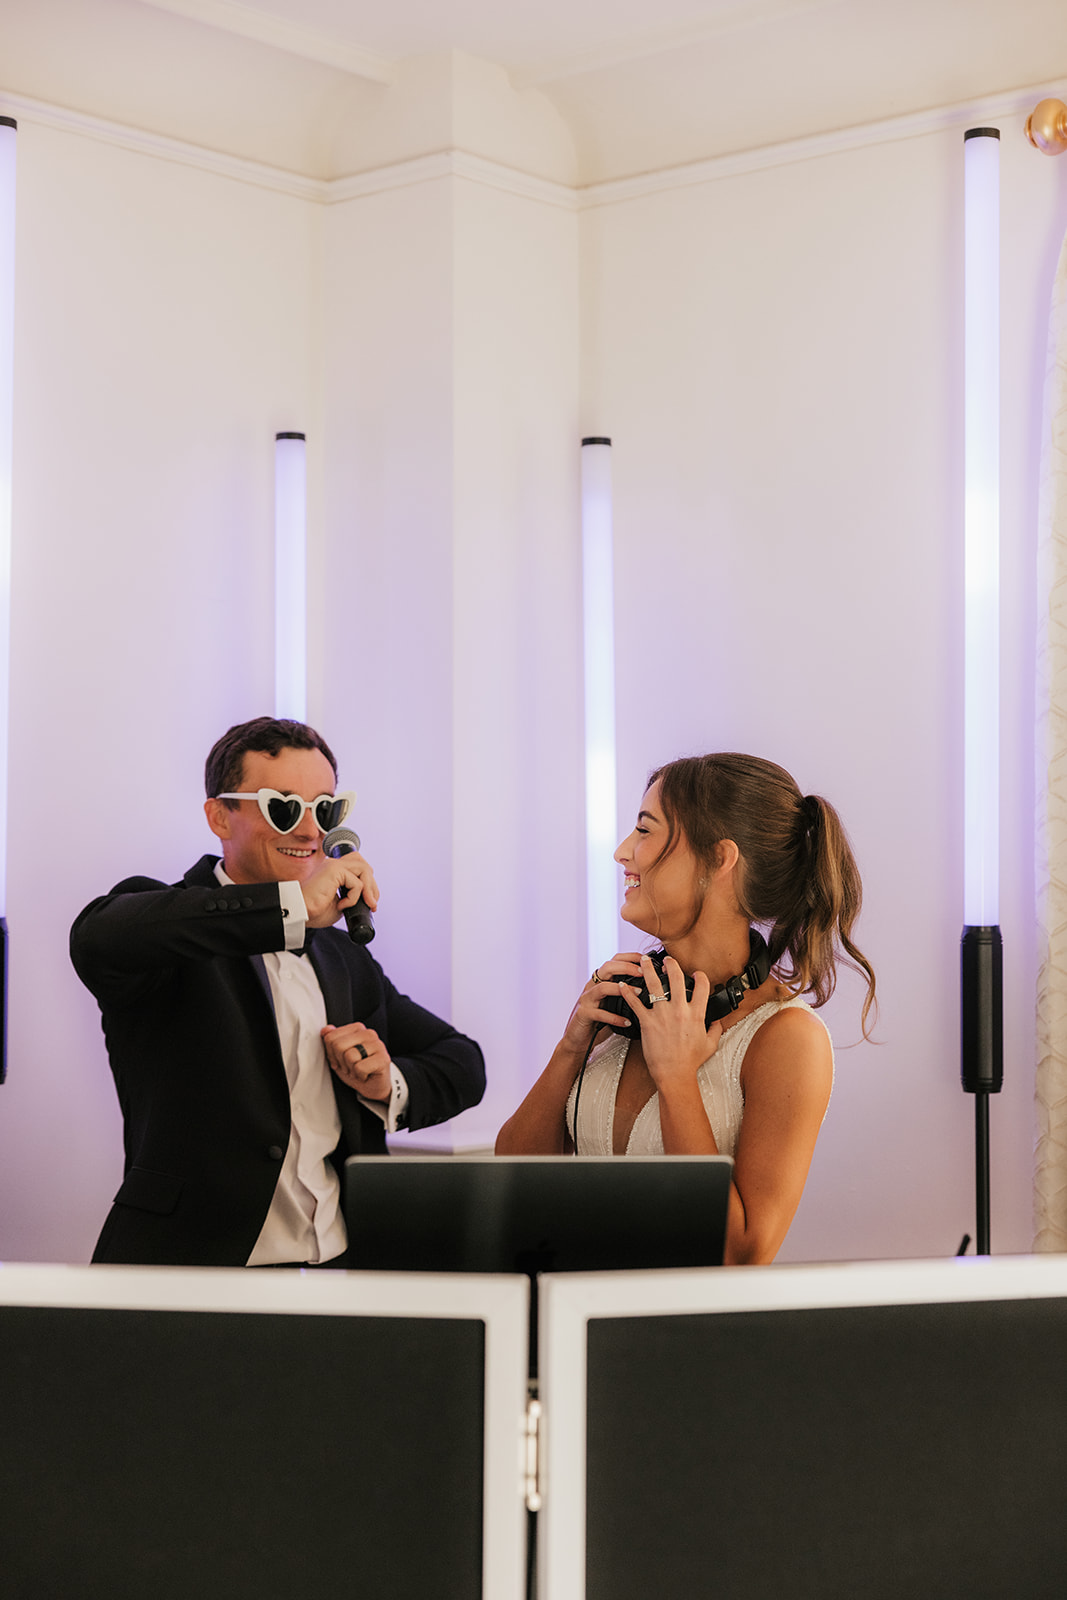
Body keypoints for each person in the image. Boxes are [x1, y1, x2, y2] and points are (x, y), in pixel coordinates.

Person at [71, 716, 485, 1268]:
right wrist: (289, 910)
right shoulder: (169, 931)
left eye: (327, 810)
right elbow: (100, 933)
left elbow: (464, 1063)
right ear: (221, 815)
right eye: (284, 808)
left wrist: (388, 1082)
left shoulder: (343, 958)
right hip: (195, 1274)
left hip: (343, 1268)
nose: (312, 832)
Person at [496, 753, 875, 1265]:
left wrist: (677, 1079)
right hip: (576, 1321)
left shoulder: (788, 1039)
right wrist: (570, 1049)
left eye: (645, 830)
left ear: (720, 859)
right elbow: (514, 1187)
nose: (622, 852)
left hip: (681, 1339)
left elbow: (740, 1254)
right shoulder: (628, 1000)